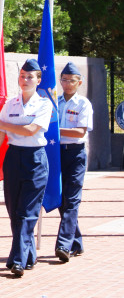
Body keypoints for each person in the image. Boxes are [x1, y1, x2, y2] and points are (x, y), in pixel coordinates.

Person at [0, 59, 53, 277]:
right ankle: (27, 254)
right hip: (14, 156)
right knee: (13, 208)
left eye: (30, 77)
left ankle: (17, 258)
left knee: (26, 211)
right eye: (22, 76)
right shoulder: (11, 103)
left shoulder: (44, 104)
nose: (25, 80)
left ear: (38, 80)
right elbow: (0, 134)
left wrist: (5, 125)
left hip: (35, 158)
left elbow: (30, 130)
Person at [55, 62, 93, 262]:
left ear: (79, 82)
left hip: (75, 153)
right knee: (61, 199)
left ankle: (64, 244)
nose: (67, 84)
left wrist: (55, 131)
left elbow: (80, 131)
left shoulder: (83, 104)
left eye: (72, 81)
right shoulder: (56, 101)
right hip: (57, 153)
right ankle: (75, 241)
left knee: (72, 198)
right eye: (64, 80)